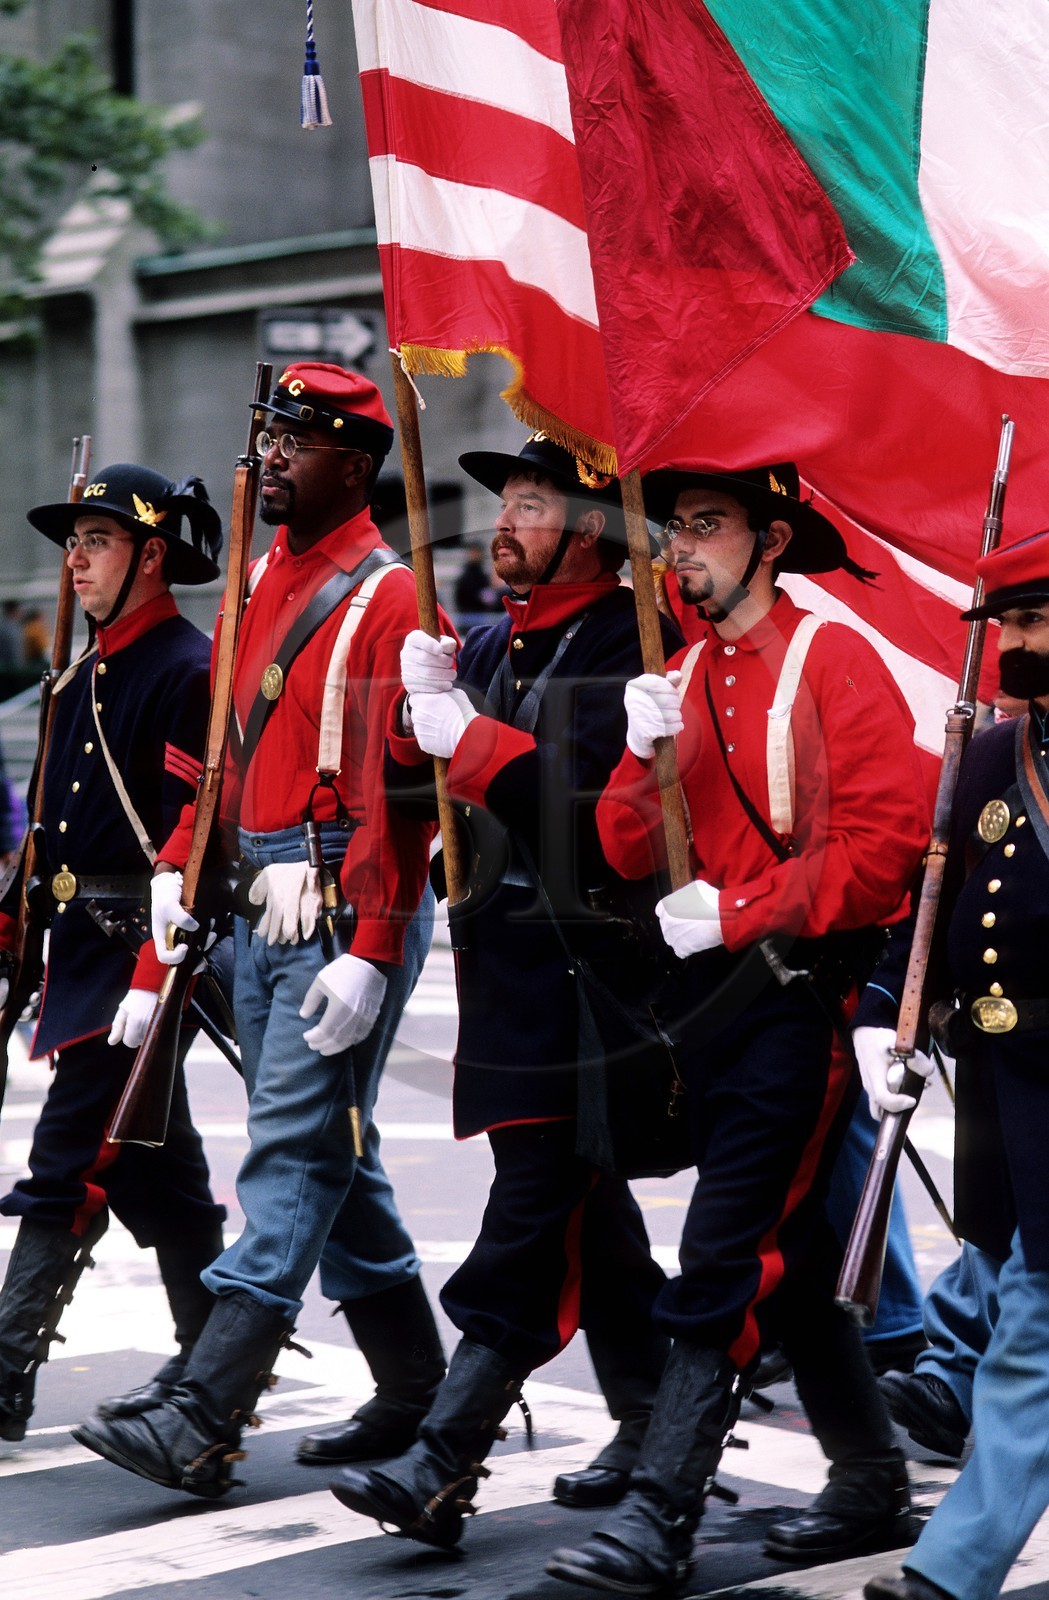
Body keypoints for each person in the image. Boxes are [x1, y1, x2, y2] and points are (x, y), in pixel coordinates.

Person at [545, 463, 930, 1595]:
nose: (679, 549)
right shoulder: (680, 670)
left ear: (769, 540)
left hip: (793, 998)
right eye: (673, 529)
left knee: (723, 1250)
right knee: (796, 1257)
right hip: (707, 1010)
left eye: (704, 526)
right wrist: (634, 745)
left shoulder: (829, 657)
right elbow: (622, 848)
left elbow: (882, 848)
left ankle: (659, 1513)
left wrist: (741, 908)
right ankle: (864, 1477)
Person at [71, 363, 446, 1499]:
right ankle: (413, 1384)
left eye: (301, 439)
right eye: (270, 434)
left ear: (356, 461)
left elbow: (401, 796)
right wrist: (173, 900)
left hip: (336, 900)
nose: (273, 455)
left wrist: (375, 947)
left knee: (291, 1144)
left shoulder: (390, 596)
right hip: (253, 896)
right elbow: (222, 773)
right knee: (338, 1154)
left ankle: (207, 1399)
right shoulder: (258, 576)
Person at [328, 431, 682, 1545]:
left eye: (531, 501)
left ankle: (443, 1457)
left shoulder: (634, 647)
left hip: (595, 985)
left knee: (530, 1216)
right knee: (594, 1218)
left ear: (589, 526)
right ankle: (648, 1417)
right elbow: (420, 791)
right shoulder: (493, 641)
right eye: (507, 500)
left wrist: (470, 740)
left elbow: (598, 834)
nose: (504, 520)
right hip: (508, 979)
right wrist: (412, 717)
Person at [0, 464, 228, 1439]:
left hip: (144, 954)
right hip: (76, 955)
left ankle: (3, 1371)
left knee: (66, 1159)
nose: (75, 558)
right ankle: (214, 1361)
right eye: (72, 541)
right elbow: (50, 840)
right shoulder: (78, 676)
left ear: (150, 554)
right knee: (152, 1169)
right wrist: (14, 933)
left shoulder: (185, 665)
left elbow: (195, 831)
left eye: (97, 540)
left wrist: (152, 970)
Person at [860, 526, 1049, 1600]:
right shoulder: (987, 752)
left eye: (1029, 623)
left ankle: (951, 1568)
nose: (1008, 646)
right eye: (1003, 624)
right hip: (1003, 1098)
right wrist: (887, 1012)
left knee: (1028, 1330)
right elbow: (927, 901)